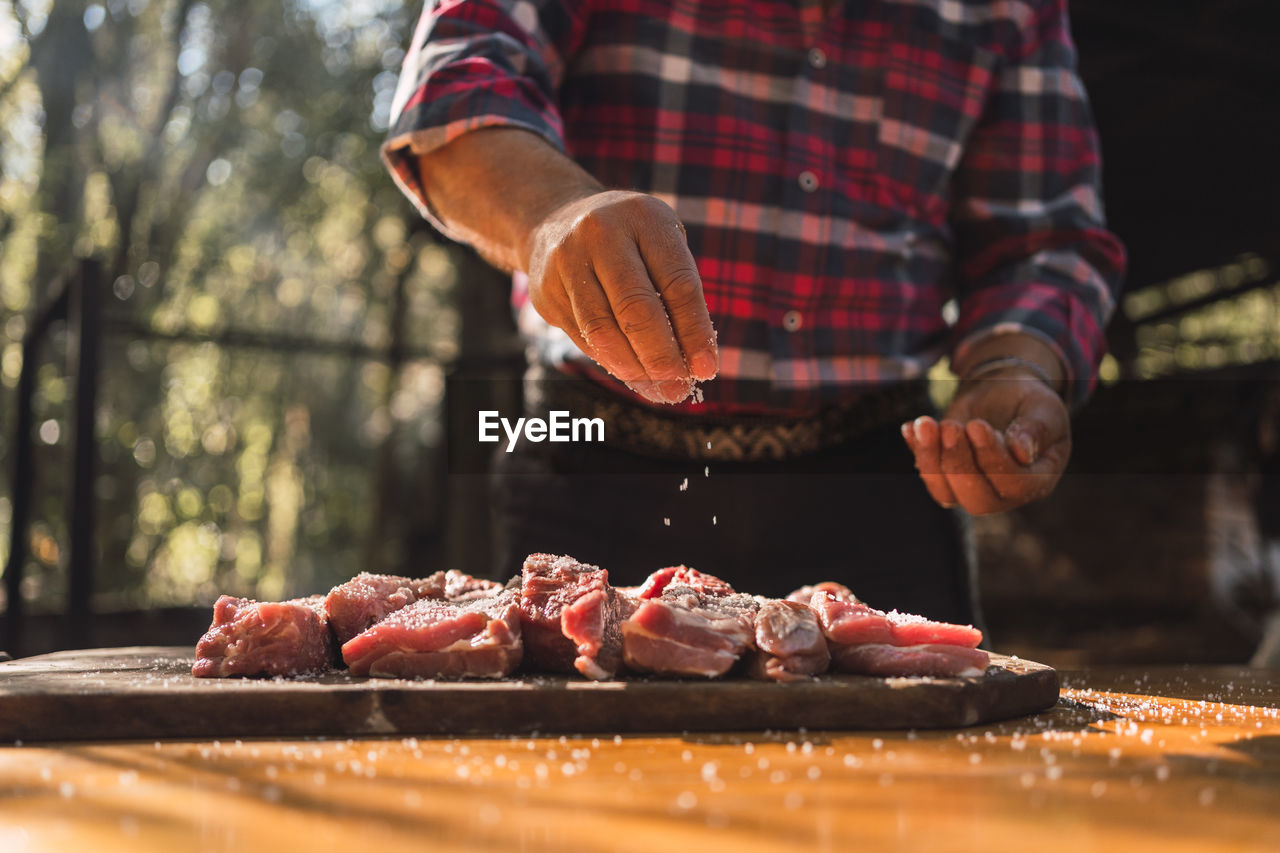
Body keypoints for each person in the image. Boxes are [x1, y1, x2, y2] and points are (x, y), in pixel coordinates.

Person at [380, 0, 1125, 625]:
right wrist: (548, 214)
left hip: (878, 486)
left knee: (901, 796)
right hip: (592, 468)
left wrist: (1013, 363)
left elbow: (1045, 237)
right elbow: (456, 85)